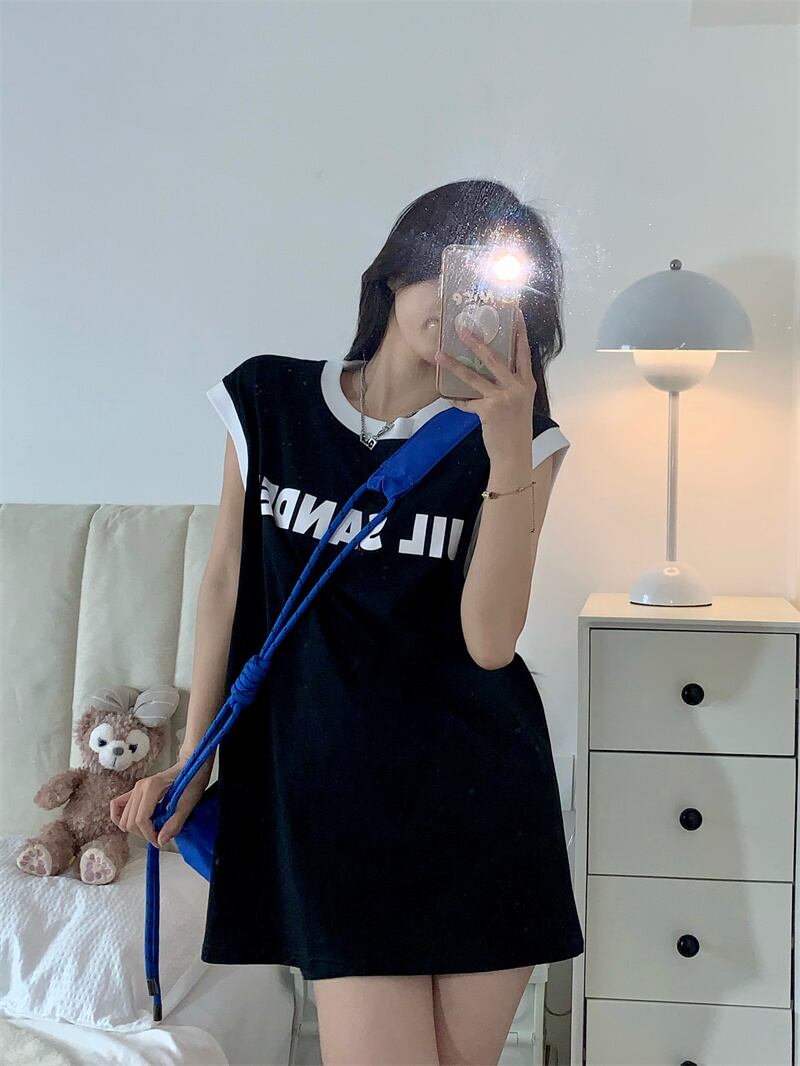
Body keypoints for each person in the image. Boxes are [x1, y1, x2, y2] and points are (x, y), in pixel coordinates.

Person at [110, 179, 584, 1066]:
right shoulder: (269, 401)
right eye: (458, 272)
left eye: (501, 291)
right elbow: (225, 585)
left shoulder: (525, 441)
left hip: (483, 803)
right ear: (400, 269)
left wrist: (508, 446)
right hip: (334, 804)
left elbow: (489, 641)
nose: (467, 306)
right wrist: (198, 754)